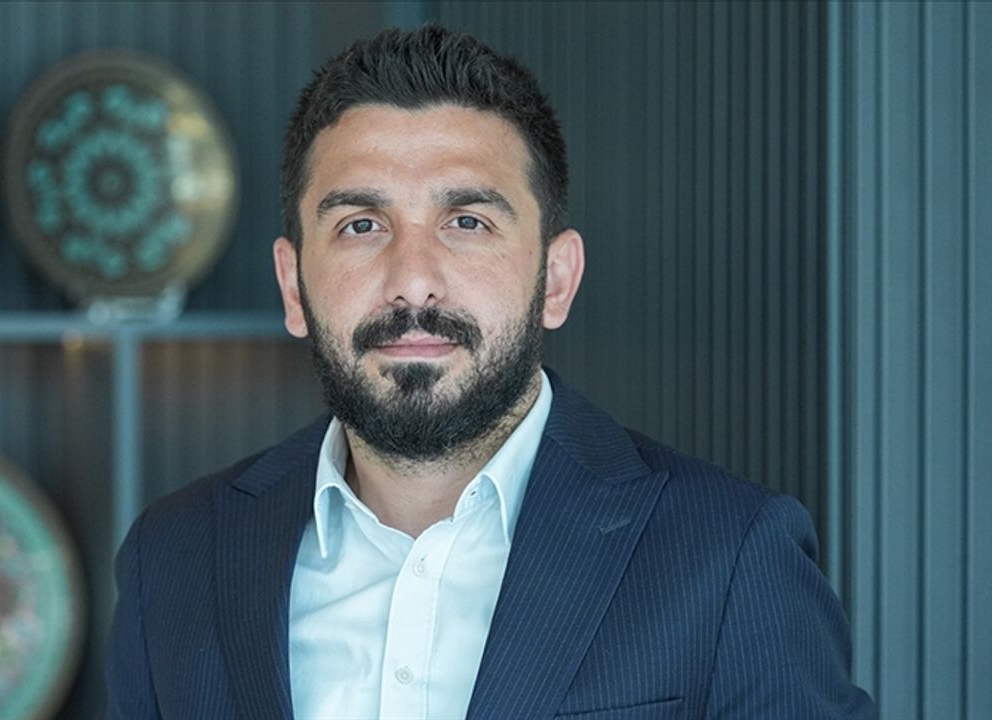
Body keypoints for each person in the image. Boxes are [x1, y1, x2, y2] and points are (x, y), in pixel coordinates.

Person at [105, 25, 874, 719]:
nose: (413, 281)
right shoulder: (171, 561)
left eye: (467, 222)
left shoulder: (731, 557)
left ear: (556, 280)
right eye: (361, 225)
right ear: (292, 285)